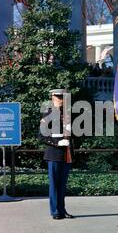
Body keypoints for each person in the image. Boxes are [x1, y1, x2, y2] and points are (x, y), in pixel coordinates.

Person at [39, 89, 74, 220]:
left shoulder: (67, 114)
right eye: (59, 97)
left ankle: (62, 209)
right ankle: (55, 211)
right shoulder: (47, 114)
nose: (61, 99)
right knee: (54, 184)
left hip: (66, 154)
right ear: (53, 98)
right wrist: (58, 143)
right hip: (54, 154)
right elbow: (42, 136)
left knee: (62, 185)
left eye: (63, 97)